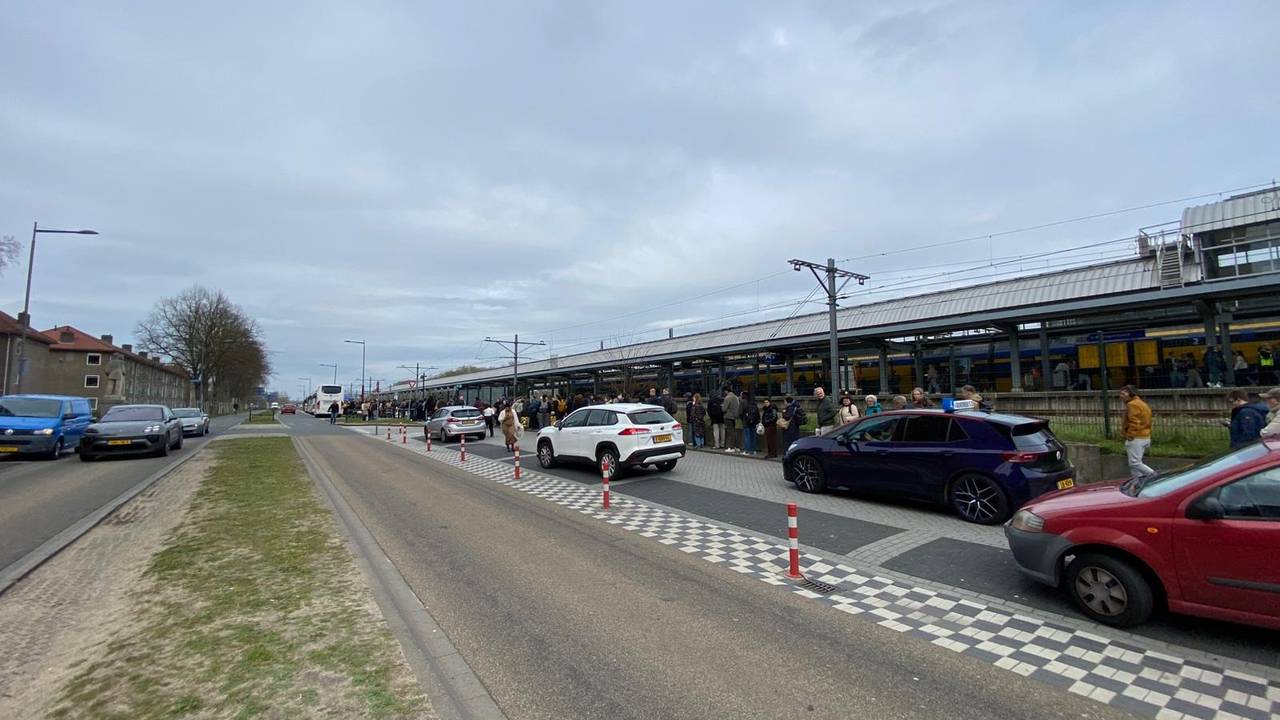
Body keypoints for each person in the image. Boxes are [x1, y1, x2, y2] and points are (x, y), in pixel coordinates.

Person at [1119, 385, 1156, 480]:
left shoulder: (1132, 405)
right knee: (1135, 464)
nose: (1121, 396)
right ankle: (1137, 482)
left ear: (1131, 394)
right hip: (1145, 436)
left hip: (1136, 438)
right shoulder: (1141, 403)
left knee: (1135, 463)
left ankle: (1154, 476)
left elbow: (1135, 422)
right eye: (1120, 393)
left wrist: (1130, 435)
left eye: (1123, 393)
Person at [723, 387, 741, 451]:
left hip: (728, 416)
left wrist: (722, 407)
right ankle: (736, 446)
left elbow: (724, 409)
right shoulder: (736, 397)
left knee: (730, 432)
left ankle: (730, 447)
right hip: (734, 417)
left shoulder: (727, 398)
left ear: (726, 391)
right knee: (734, 431)